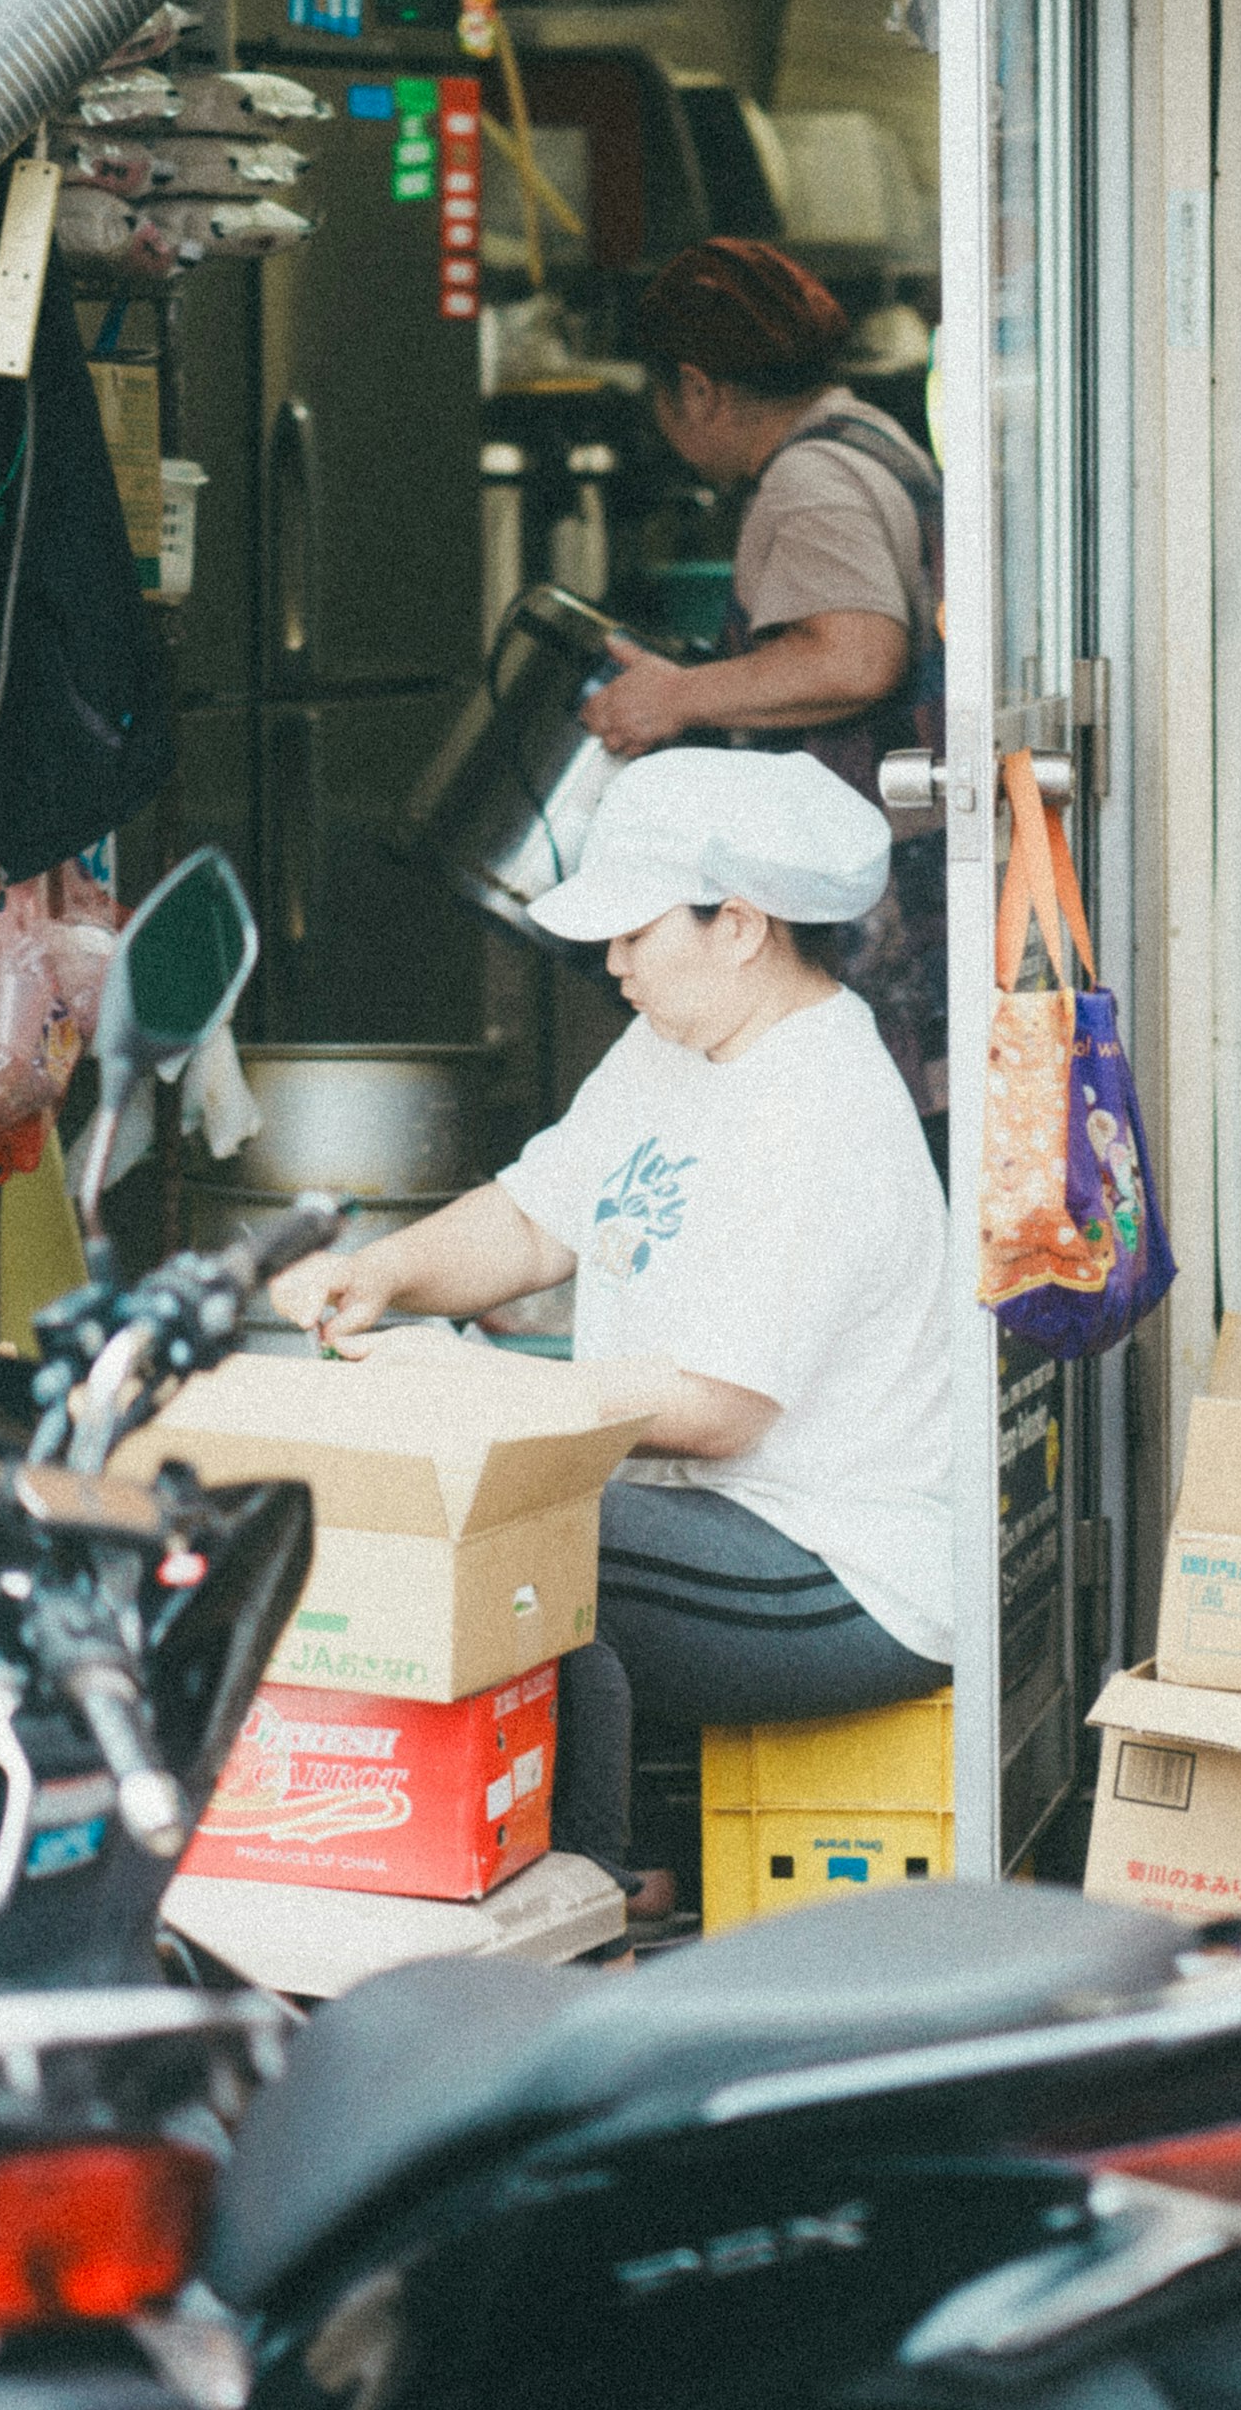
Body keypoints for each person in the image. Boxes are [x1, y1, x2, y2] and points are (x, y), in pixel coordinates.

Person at [267, 747, 957, 1919]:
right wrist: (383, 1269)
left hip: (845, 1573)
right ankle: (581, 1872)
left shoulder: (819, 1111)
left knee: (515, 1527)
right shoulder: (674, 1046)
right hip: (717, 1526)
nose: (613, 961)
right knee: (517, 1515)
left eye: (636, 932)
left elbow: (720, 1408)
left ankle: (581, 1903)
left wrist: (482, 1390)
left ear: (740, 926)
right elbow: (539, 1219)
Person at [578, 236, 949, 1121]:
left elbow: (856, 655)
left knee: (881, 1133)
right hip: (912, 860)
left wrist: (673, 697)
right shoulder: (870, 436)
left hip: (889, 880)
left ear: (697, 387)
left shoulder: (807, 478)